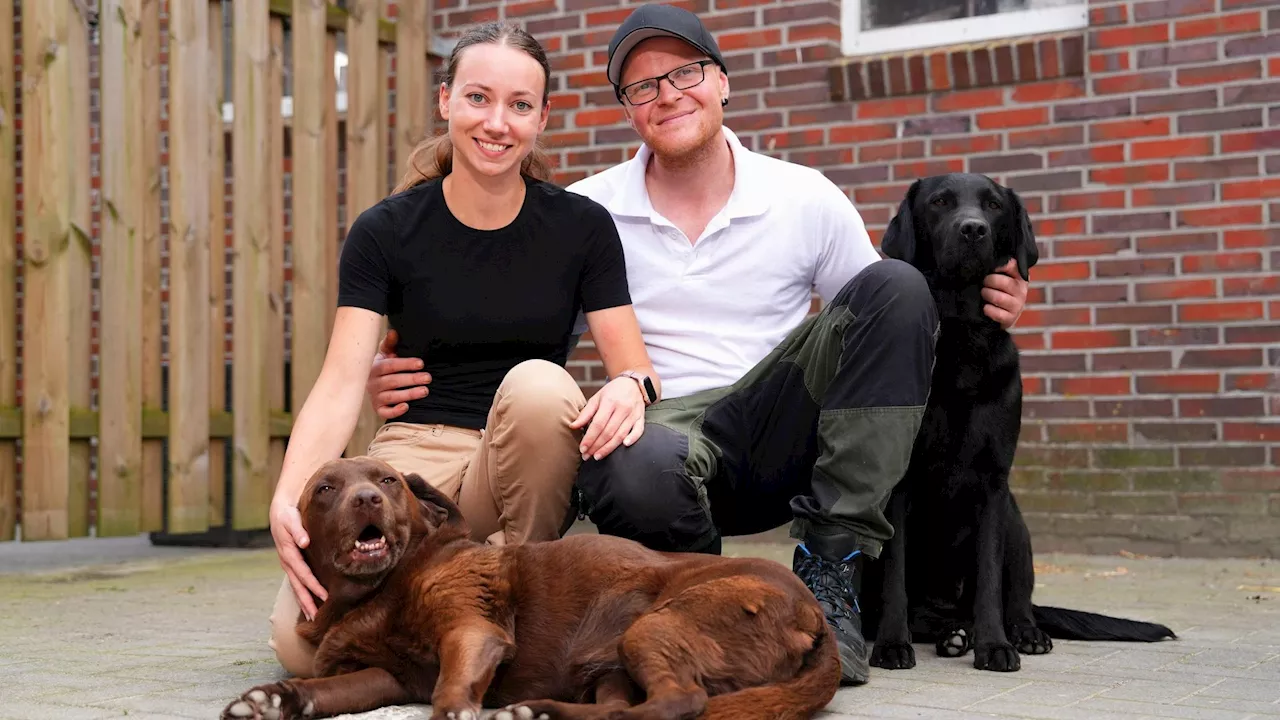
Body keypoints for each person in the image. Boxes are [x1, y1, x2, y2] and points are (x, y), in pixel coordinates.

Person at [365, 5, 1029, 685]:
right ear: (629, 110)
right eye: (643, 85)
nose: (667, 94)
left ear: (721, 82)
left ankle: (832, 573)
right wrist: (401, 368)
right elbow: (510, 338)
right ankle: (702, 605)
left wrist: (988, 302)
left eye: (685, 72)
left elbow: (894, 325)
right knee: (629, 459)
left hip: (781, 426)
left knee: (896, 282)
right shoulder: (584, 213)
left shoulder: (803, 196)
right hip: (664, 438)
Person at [265, 20, 661, 678]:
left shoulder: (581, 228)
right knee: (297, 646)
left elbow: (634, 367)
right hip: (410, 459)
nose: (497, 123)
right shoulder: (386, 231)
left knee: (540, 387)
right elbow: (339, 383)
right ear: (446, 100)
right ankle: (437, 625)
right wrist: (287, 501)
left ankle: (512, 611)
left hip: (516, 461)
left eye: (520, 105)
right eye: (479, 98)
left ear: (542, 118)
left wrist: (629, 385)